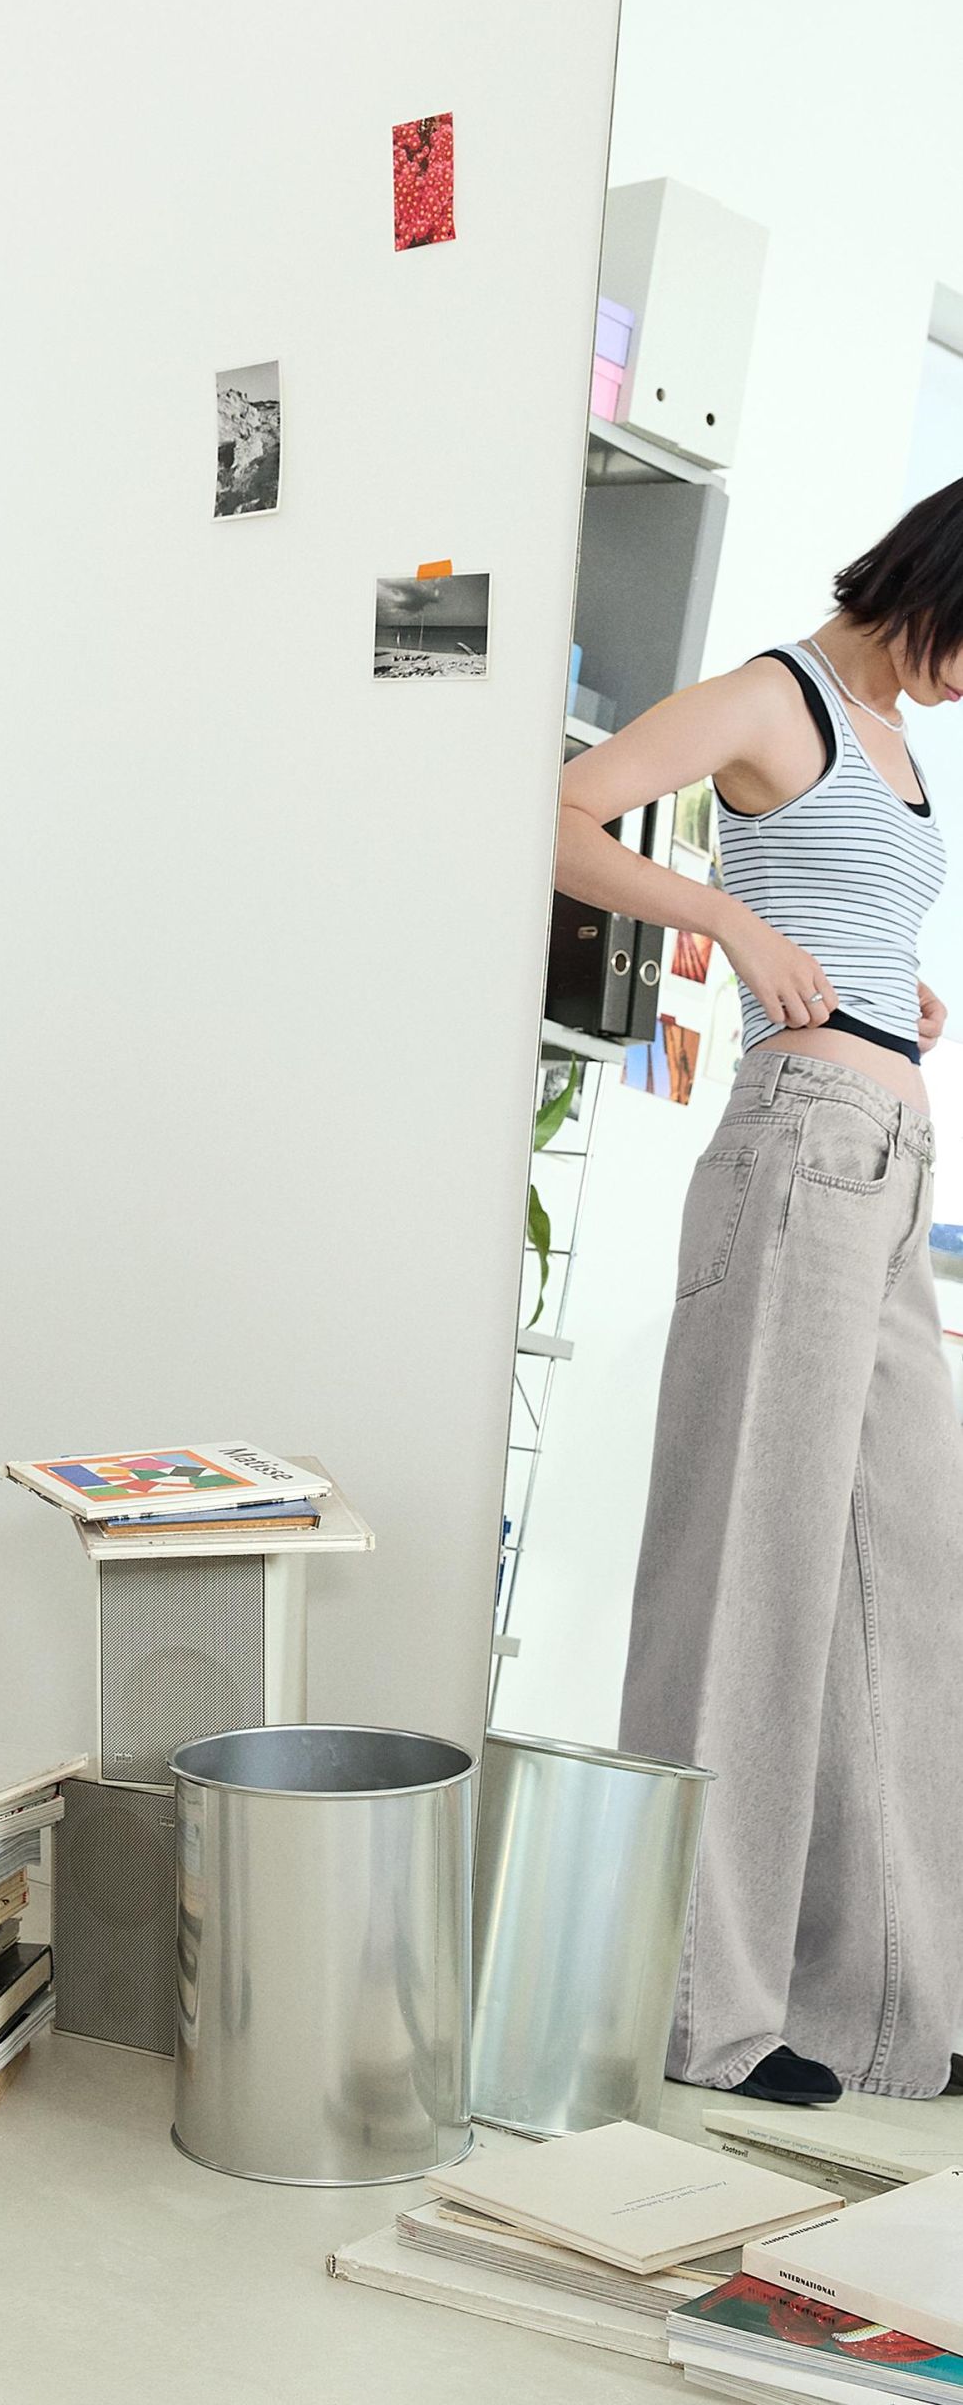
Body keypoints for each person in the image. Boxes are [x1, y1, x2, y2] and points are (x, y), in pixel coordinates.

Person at [553, 476, 963, 2112]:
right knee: (751, 1572)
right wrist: (725, 918)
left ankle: (889, 2007)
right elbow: (563, 815)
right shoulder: (769, 697)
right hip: (796, 1147)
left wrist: (890, 988)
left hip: (888, 1165)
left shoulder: (896, 739)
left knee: (906, 1581)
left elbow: (843, 903)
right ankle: (711, 2014)